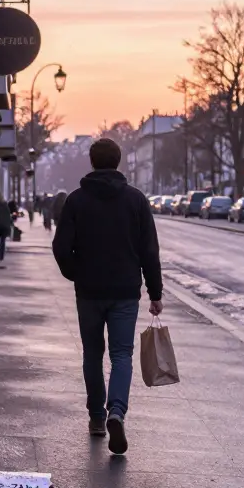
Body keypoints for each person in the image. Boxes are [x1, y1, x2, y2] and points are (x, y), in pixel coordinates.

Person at [52, 138, 163, 456]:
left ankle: (97, 419)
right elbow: (149, 251)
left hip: (88, 291)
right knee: (122, 355)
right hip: (125, 292)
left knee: (91, 354)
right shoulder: (136, 200)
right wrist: (155, 293)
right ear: (119, 162)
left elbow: (61, 247)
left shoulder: (76, 200)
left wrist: (76, 272)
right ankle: (117, 410)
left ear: (92, 162)